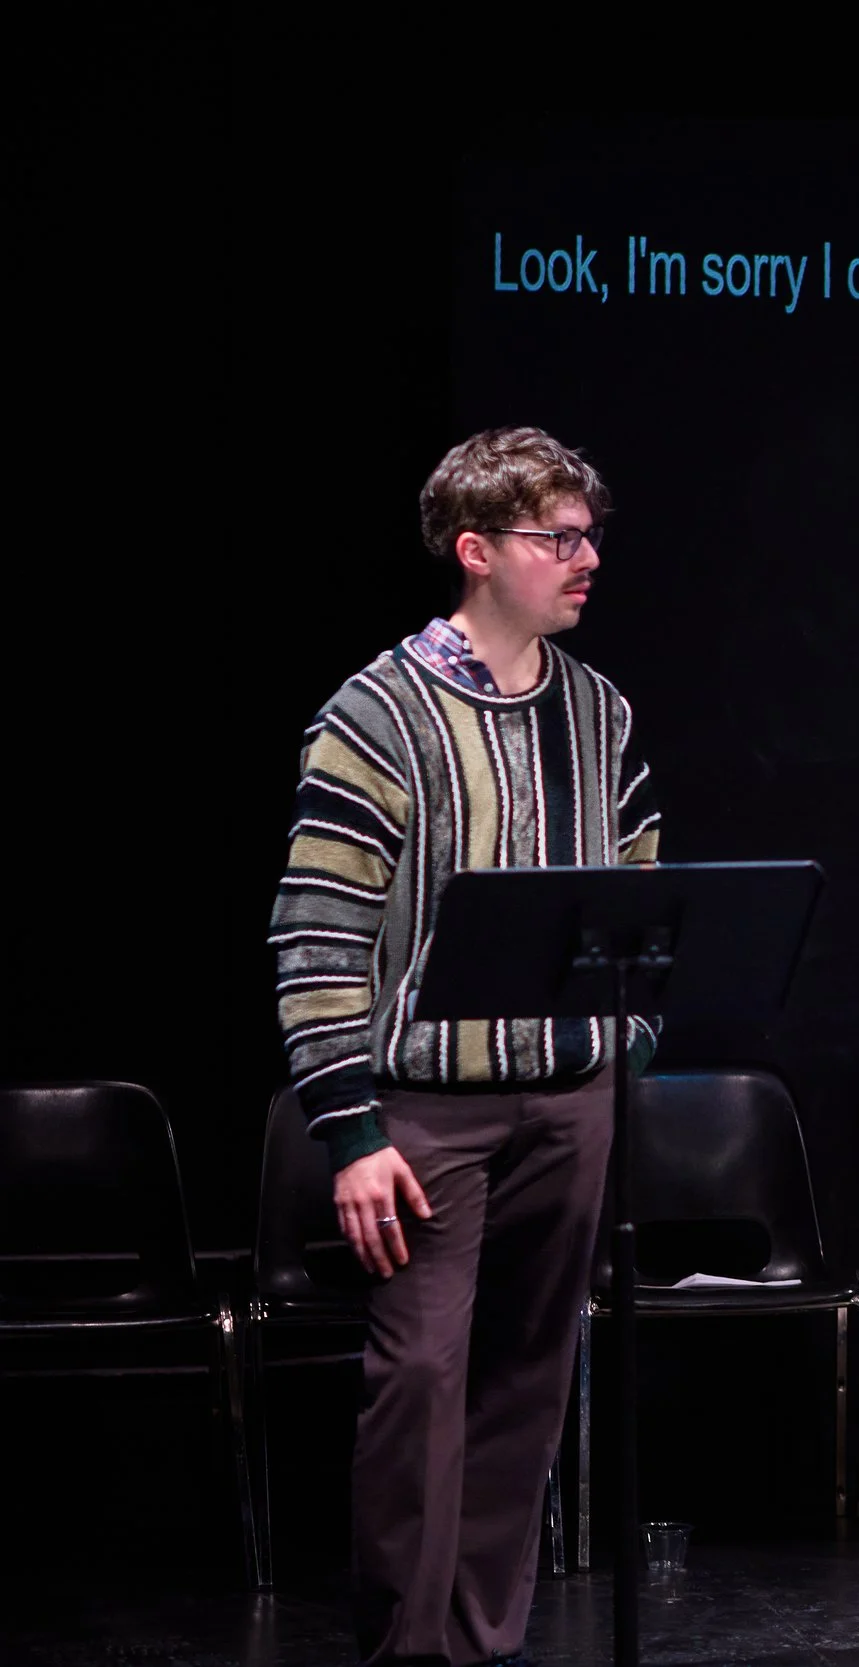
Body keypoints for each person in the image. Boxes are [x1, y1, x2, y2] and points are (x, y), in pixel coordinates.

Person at [271, 427, 660, 1667]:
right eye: (558, 536)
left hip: (570, 1098)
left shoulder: (596, 707)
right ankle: (408, 1647)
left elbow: (645, 880)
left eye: (589, 532)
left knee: (529, 1380)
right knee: (423, 1377)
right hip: (427, 1109)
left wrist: (624, 1043)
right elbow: (318, 931)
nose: (586, 555)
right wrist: (351, 1132)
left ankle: (483, 1641)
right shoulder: (375, 712)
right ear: (476, 550)